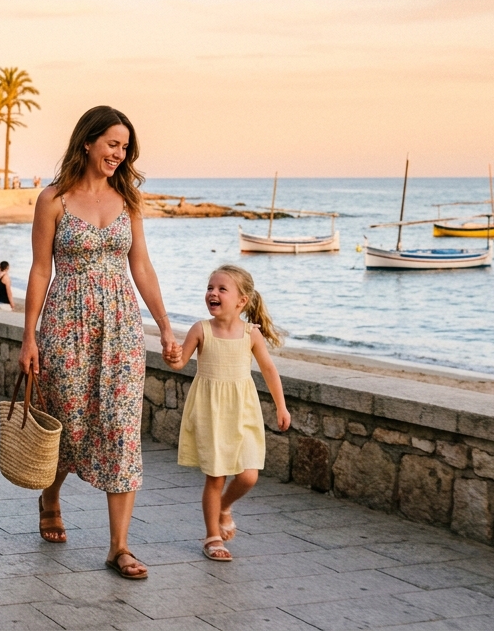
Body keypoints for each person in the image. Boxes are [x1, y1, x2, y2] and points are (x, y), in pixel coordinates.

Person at [17, 106, 179, 580]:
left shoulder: (128, 199)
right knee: (65, 422)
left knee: (122, 429)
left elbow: (142, 267)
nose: (119, 154)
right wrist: (29, 335)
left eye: (125, 147)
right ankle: (50, 497)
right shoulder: (54, 199)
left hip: (122, 327)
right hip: (65, 324)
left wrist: (165, 326)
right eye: (112, 144)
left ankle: (119, 547)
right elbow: (40, 269)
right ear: (87, 142)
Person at [165, 265, 291, 562]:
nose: (213, 293)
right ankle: (212, 536)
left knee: (248, 476)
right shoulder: (201, 329)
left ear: (241, 301)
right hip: (211, 412)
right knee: (216, 476)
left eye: (222, 289)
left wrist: (281, 406)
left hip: (243, 411)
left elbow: (269, 371)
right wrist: (172, 356)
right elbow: (180, 362)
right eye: (210, 287)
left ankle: (223, 507)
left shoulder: (251, 334)